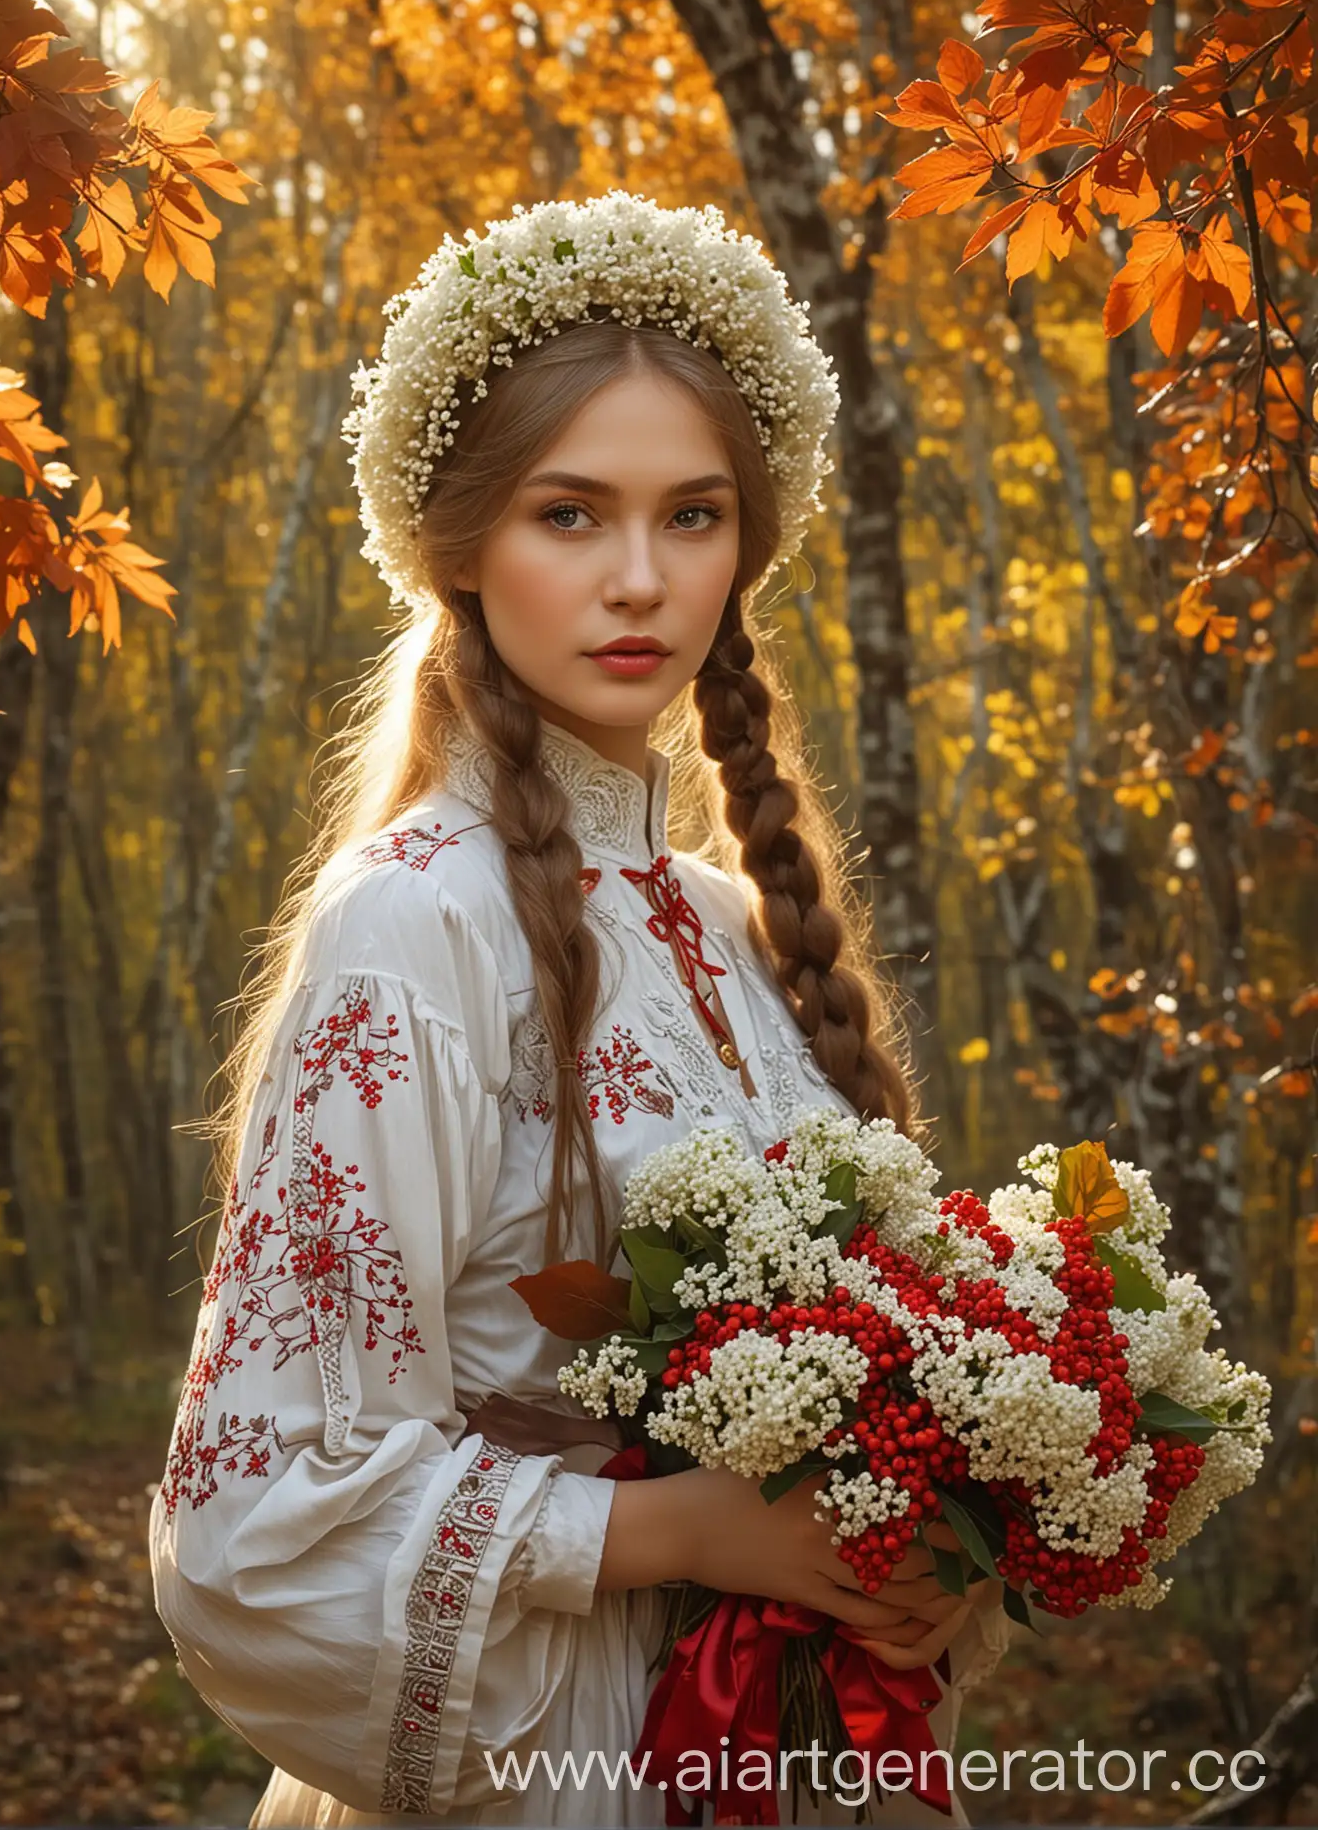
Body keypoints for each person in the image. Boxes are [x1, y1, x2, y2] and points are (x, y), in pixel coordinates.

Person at [148, 191, 1011, 1829]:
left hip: (815, 1743)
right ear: (461, 543)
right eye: (570, 515)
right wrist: (685, 1533)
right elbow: (255, 1520)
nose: (639, 579)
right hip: (563, 1753)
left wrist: (933, 1543)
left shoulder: (738, 929)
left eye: (692, 516)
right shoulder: (414, 922)